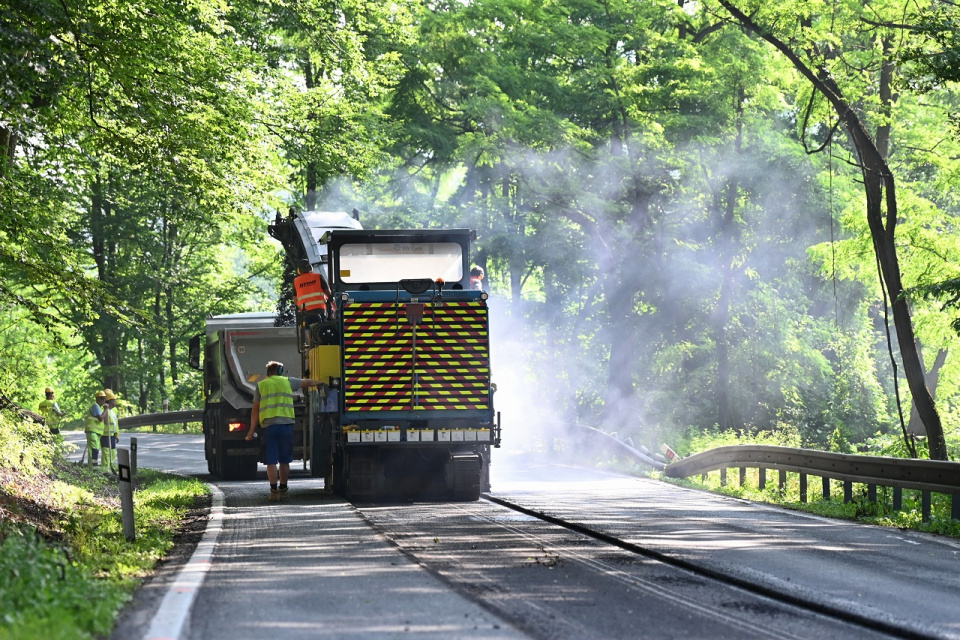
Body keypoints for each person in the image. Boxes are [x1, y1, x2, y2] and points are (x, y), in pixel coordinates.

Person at [244, 361, 321, 502]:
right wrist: (321, 382)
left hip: (269, 427)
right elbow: (308, 382)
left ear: (268, 372)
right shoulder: (288, 382)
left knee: (271, 461)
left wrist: (251, 431)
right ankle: (284, 490)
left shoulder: (262, 385)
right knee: (285, 460)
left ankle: (274, 492)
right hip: (286, 426)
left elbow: (255, 409)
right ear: (280, 371)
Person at [293, 259, 330, 325]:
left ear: (299, 271)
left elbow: (295, 300)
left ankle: (310, 335)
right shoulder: (318, 277)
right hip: (320, 309)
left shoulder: (296, 281)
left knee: (308, 329)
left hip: (305, 311)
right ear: (311, 268)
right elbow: (328, 293)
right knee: (320, 328)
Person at [84, 390, 106, 467]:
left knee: (95, 450)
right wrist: (106, 410)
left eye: (105, 399)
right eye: (102, 398)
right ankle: (92, 468)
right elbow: (100, 418)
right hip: (92, 432)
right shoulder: (95, 406)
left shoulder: (99, 408)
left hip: (95, 433)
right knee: (94, 450)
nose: (104, 401)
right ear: (98, 399)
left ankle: (94, 467)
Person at [100, 389, 120, 473]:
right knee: (106, 454)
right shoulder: (105, 410)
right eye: (114, 400)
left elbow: (115, 424)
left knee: (113, 453)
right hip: (105, 435)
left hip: (112, 436)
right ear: (110, 401)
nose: (115, 402)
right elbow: (105, 422)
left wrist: (116, 435)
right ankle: (105, 470)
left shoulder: (113, 411)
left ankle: (110, 468)